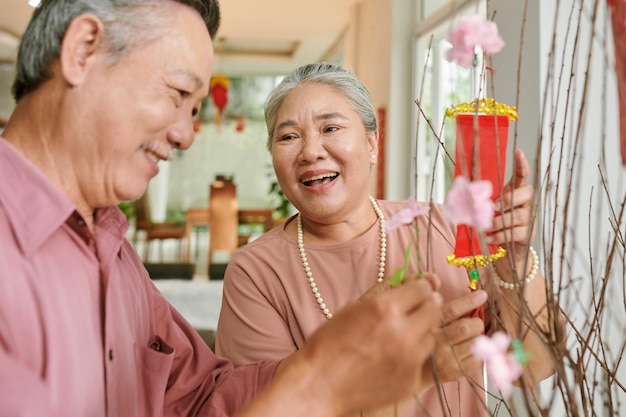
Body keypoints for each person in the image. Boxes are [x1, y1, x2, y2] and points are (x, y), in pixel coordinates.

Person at [0, 2, 445, 416]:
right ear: (83, 50)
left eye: (194, 109)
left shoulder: (117, 258)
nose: (186, 135)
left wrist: (334, 362)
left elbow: (201, 399)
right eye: (177, 93)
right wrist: (314, 387)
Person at [215, 63, 559, 416]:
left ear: (372, 143)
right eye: (288, 137)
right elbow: (268, 409)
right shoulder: (255, 272)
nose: (310, 152)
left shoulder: (445, 227)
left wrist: (514, 261)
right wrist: (420, 373)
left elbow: (533, 368)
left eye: (330, 128)